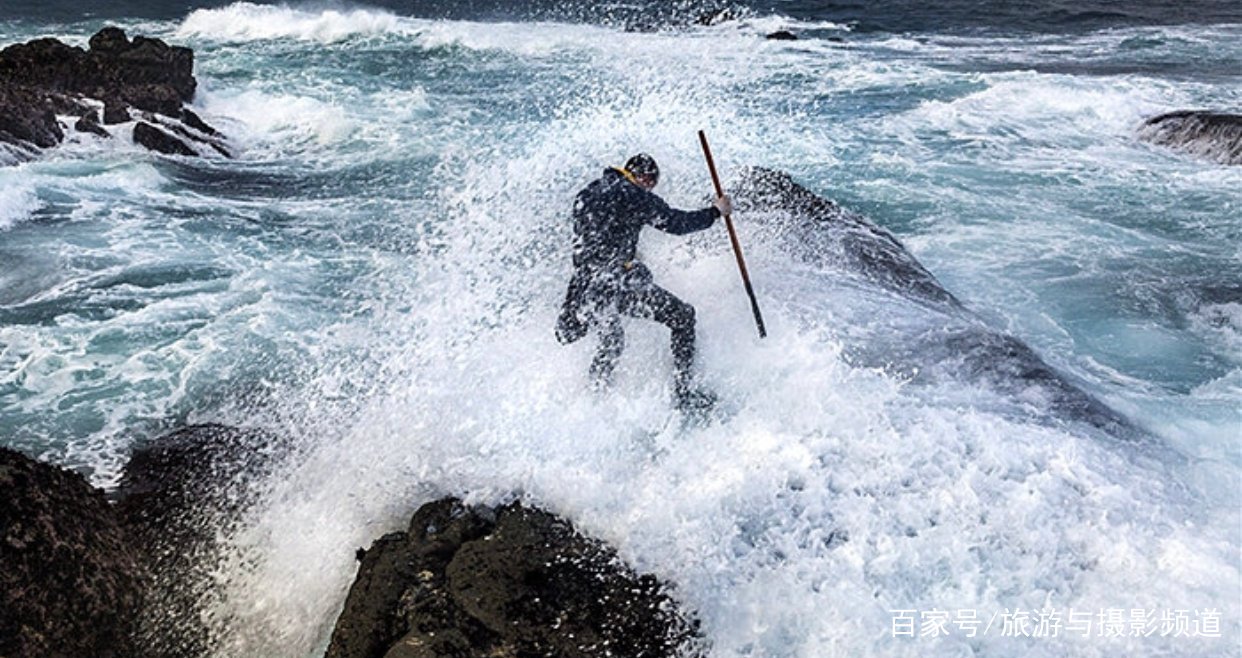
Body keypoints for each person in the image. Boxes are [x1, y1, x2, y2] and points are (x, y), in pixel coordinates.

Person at [556, 153, 732, 412]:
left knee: (612, 340)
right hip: (612, 283)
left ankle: (594, 400)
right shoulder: (633, 195)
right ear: (646, 179)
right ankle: (684, 394)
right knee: (682, 316)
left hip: (584, 286)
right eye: (651, 185)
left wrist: (628, 256)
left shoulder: (590, 191)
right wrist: (715, 212)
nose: (650, 190)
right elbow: (676, 223)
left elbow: (599, 238)